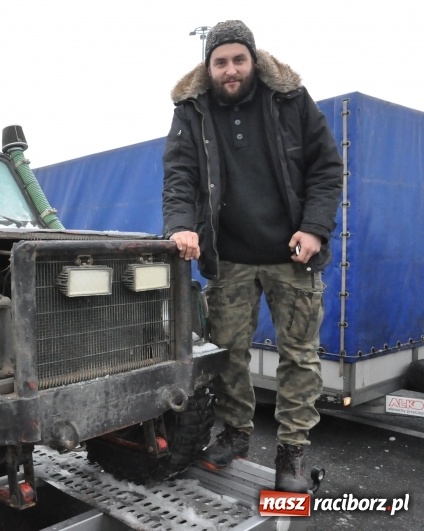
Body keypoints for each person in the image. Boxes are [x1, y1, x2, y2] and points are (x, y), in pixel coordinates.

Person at [161, 20, 342, 493]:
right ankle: (235, 434)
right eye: (220, 61)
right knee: (228, 356)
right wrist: (180, 224)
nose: (230, 69)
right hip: (230, 258)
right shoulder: (192, 110)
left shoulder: (290, 100)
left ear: (254, 59)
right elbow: (179, 175)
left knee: (299, 356)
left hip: (293, 254)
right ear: (209, 66)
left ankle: (293, 450)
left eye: (238, 59)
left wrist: (316, 228)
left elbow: (326, 167)